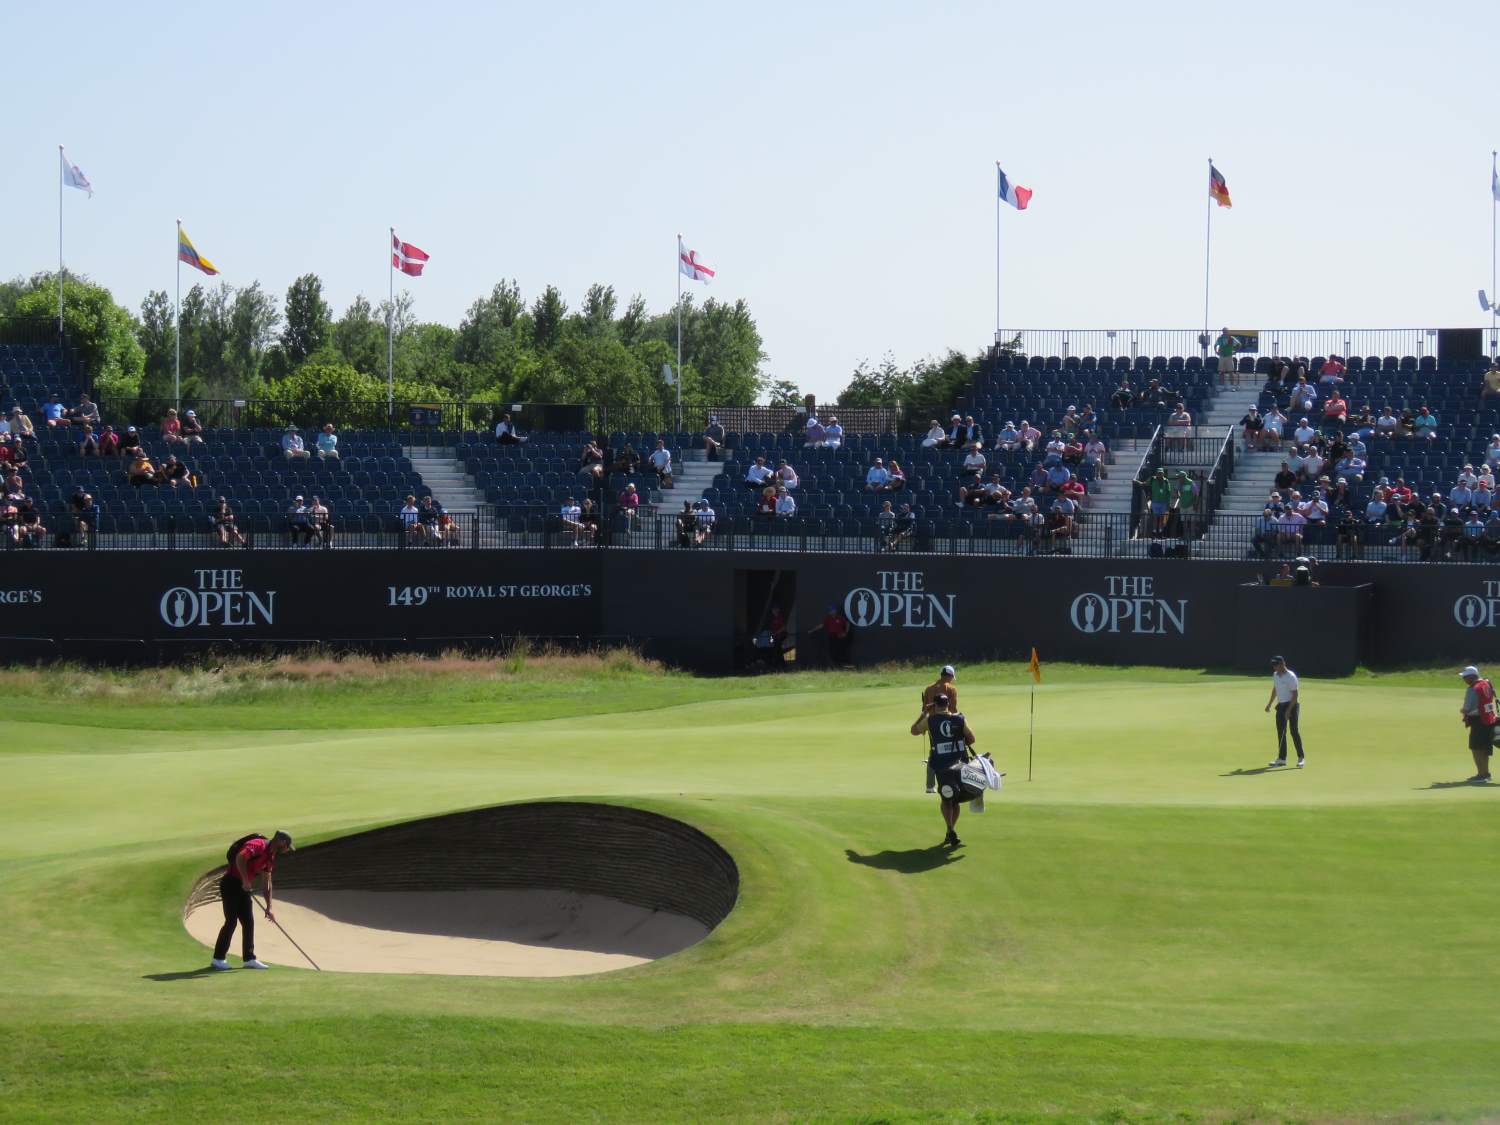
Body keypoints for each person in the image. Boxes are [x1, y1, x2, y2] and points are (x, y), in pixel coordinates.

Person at [211, 830, 294, 971]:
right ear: (282, 842)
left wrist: (269, 907)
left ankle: (249, 958)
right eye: (287, 846)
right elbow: (240, 858)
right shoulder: (258, 844)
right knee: (231, 921)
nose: (287, 850)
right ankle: (218, 959)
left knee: (248, 922)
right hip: (231, 883)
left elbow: (267, 881)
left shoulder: (271, 855)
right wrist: (244, 879)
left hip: (243, 887)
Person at [910, 693, 977, 848]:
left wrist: (924, 713)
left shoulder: (930, 720)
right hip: (960, 763)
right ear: (948, 704)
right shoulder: (960, 718)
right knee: (956, 800)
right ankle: (950, 831)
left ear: (934, 705)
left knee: (946, 799)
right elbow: (972, 739)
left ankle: (950, 828)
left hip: (941, 766)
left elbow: (914, 730)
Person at [919, 664, 959, 794]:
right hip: (947, 724)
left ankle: (930, 786)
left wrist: (923, 724)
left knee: (934, 752)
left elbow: (924, 709)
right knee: (952, 751)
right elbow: (953, 709)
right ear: (950, 676)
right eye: (952, 677)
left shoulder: (928, 688)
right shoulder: (951, 689)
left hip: (932, 724)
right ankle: (952, 781)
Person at [1263, 655, 1305, 768]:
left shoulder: (1291, 676)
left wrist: (1289, 710)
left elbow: (1295, 695)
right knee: (1281, 732)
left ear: (1282, 664)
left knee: (1294, 731)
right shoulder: (1276, 675)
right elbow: (1275, 689)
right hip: (1281, 706)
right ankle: (1282, 758)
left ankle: (1301, 758)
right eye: (1273, 665)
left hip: (1292, 704)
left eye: (1276, 664)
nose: (1274, 667)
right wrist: (1270, 704)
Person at [1458, 666, 1496, 783]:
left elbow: (1468, 708)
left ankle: (1482, 775)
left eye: (1465, 677)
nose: (1464, 679)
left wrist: (1462, 710)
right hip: (1489, 719)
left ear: (1472, 676)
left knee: (1477, 748)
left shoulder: (1473, 688)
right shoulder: (1486, 683)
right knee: (1484, 748)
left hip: (1478, 721)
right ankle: (1485, 774)